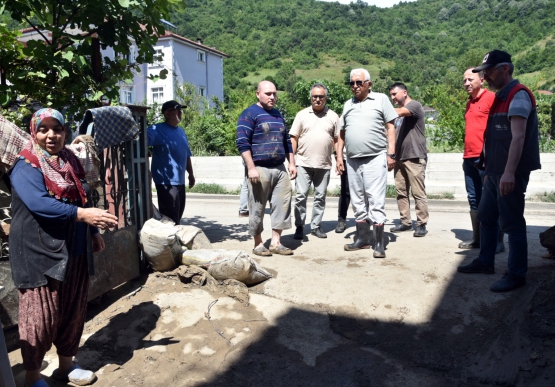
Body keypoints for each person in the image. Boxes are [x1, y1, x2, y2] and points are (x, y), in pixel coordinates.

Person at [9, 108, 118, 387]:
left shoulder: (70, 161)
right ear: (34, 132)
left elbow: (83, 196)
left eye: (57, 129)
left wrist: (92, 231)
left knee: (73, 309)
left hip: (74, 249)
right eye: (44, 129)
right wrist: (84, 216)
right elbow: (39, 203)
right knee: (40, 318)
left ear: (65, 132)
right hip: (37, 252)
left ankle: (66, 366)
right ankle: (32, 376)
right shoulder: (27, 164)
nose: (51, 135)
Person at [457, 50, 541, 292]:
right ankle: (485, 261)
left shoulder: (519, 95)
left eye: (489, 71)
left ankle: (516, 275)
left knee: (512, 224)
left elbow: (518, 138)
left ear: (505, 69)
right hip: (493, 171)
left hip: (508, 174)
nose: (486, 77)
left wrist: (509, 173)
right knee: (485, 216)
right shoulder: (500, 97)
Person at [336, 68, 397, 258]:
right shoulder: (348, 104)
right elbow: (342, 133)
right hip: (352, 159)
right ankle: (362, 239)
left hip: (375, 157)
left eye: (358, 82)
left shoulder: (380, 99)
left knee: (375, 200)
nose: (354, 86)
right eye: (351, 83)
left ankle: (379, 244)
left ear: (368, 84)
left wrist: (391, 154)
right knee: (357, 201)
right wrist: (339, 156)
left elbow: (391, 127)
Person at [236, 81, 297, 256]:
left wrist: (291, 163)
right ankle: (258, 243)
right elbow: (242, 143)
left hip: (279, 168)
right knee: (257, 207)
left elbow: (287, 141)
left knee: (282, 205)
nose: (272, 97)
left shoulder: (278, 115)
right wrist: (251, 168)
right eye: (268, 93)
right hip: (259, 168)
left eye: (274, 94)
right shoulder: (249, 114)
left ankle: (276, 243)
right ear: (258, 94)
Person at [290, 83, 339, 240]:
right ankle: (299, 226)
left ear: (326, 98)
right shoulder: (302, 115)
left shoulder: (333, 116)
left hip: (324, 165)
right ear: (310, 97)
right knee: (300, 196)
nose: (318, 99)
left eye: (321, 96)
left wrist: (339, 158)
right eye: (315, 97)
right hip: (303, 163)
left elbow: (337, 139)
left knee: (320, 197)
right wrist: (291, 161)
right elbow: (293, 138)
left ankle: (316, 226)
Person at [459, 68, 496, 250]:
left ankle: (496, 241)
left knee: (491, 199)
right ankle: (478, 239)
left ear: (482, 80)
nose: (466, 83)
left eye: (470, 79)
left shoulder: (491, 98)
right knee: (474, 199)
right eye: (464, 80)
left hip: (486, 159)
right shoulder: (469, 103)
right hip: (469, 158)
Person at [389, 83, 429, 237]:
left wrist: (379, 109)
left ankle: (421, 223)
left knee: (418, 192)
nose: (393, 97)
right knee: (401, 192)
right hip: (399, 157)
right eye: (391, 95)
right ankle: (405, 221)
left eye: (395, 94)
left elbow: (398, 112)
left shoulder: (414, 105)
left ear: (404, 92)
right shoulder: (398, 116)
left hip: (414, 156)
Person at [147, 100, 195, 224]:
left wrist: (191, 174)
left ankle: (173, 241)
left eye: (181, 110)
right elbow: (139, 142)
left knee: (177, 215)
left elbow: (186, 154)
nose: (180, 113)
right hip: (166, 182)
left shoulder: (181, 131)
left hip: (180, 181)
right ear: (167, 114)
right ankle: (170, 242)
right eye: (177, 110)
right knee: (169, 218)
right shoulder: (156, 130)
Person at [334, 144, 350, 233]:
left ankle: (365, 221)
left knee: (365, 192)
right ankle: (341, 220)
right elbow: (337, 137)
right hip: (346, 158)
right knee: (346, 191)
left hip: (365, 158)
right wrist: (338, 155)